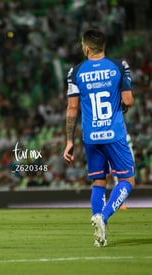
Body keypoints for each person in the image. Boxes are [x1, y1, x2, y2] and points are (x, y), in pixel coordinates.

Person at [63, 28, 135, 247]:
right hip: (114, 133)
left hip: (91, 136)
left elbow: (72, 109)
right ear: (103, 46)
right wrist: (121, 106)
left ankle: (100, 233)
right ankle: (102, 217)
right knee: (127, 180)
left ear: (85, 47)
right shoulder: (119, 66)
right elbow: (129, 100)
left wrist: (69, 140)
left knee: (98, 181)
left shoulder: (75, 72)